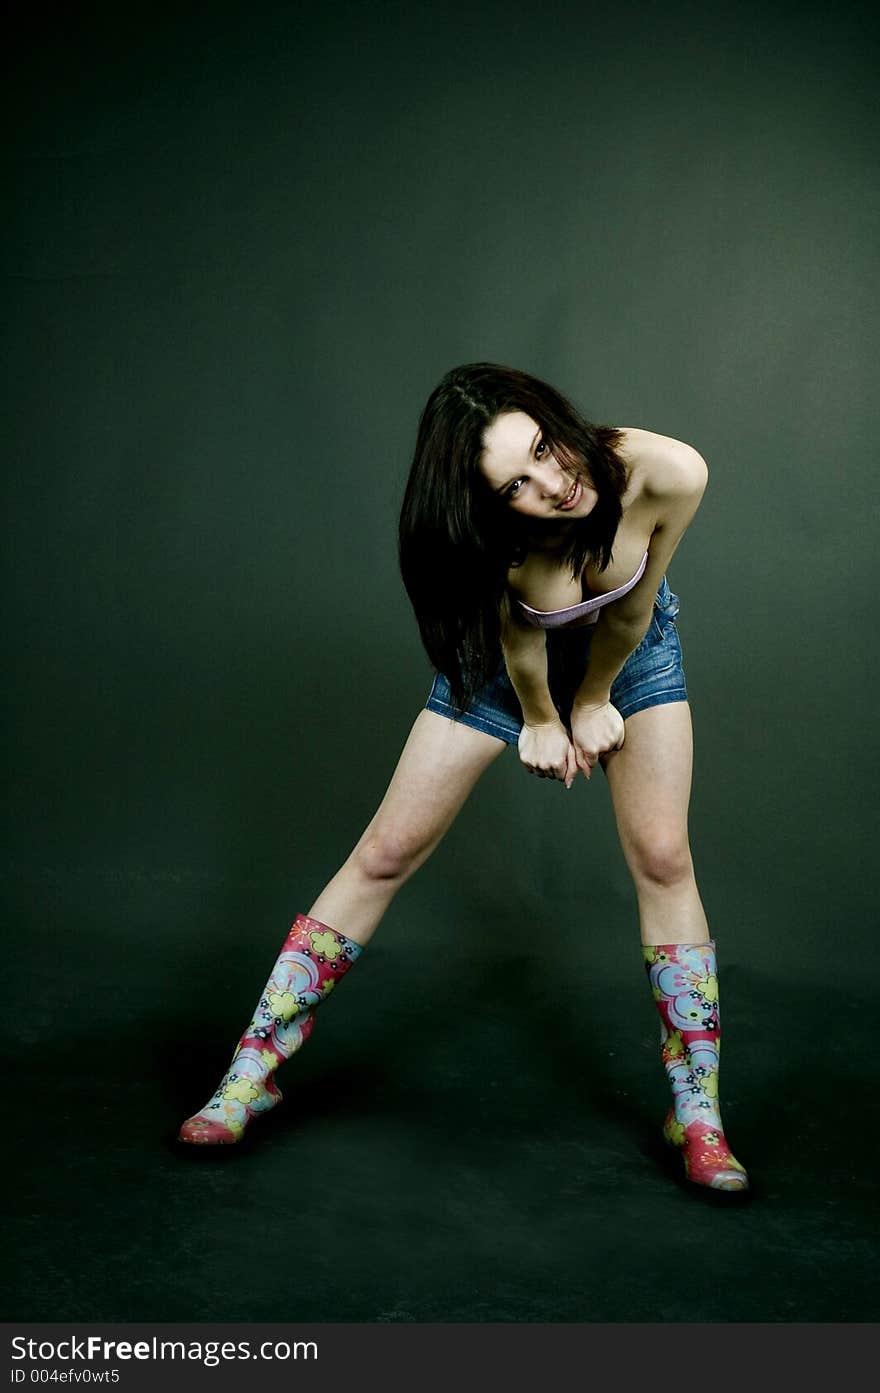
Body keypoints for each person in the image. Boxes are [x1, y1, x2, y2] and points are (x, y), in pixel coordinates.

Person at [178, 362, 749, 1196]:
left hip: (628, 650)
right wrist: (545, 720)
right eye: (518, 481)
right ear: (493, 504)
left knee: (664, 855)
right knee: (388, 848)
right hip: (507, 665)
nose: (554, 484)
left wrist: (592, 697)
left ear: (559, 420)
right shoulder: (506, 548)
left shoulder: (669, 469)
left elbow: (632, 607)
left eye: (548, 449)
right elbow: (524, 650)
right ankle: (249, 1073)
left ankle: (698, 1114)